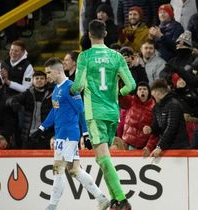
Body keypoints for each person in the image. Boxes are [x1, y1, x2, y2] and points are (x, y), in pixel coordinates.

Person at [70, 19, 136, 210]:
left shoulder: (85, 57)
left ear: (89, 35)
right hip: (113, 113)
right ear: (106, 34)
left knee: (103, 157)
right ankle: (115, 199)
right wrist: (118, 93)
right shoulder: (116, 56)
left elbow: (79, 85)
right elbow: (131, 85)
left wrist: (71, 91)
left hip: (95, 112)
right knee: (101, 158)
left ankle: (122, 200)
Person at [30, 58, 110, 210]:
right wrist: (42, 128)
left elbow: (82, 110)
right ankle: (101, 198)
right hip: (62, 134)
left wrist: (86, 133)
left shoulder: (70, 87)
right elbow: (55, 110)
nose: (47, 76)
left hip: (67, 135)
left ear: (59, 71)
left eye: (49, 72)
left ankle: (52, 206)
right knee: (74, 170)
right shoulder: (56, 89)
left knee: (58, 169)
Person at [142, 79, 190, 157]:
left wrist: (160, 146)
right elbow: (157, 125)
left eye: (152, 94)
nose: (151, 97)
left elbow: (171, 128)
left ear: (157, 93)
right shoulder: (156, 107)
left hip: (179, 148)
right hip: (166, 148)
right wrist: (151, 129)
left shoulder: (174, 105)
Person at [6, 71, 53, 149]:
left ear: (46, 81)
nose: (39, 80)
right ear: (32, 80)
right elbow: (9, 100)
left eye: (42, 78)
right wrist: (15, 104)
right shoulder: (27, 94)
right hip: (28, 137)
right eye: (36, 78)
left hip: (45, 136)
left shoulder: (51, 94)